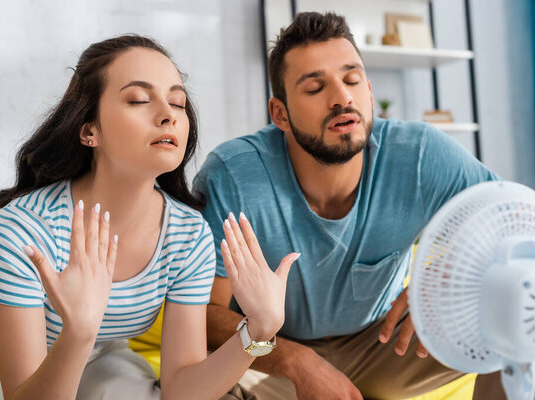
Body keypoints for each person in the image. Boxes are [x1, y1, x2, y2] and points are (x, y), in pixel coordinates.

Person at [0, 35, 300, 400]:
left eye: (178, 102)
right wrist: (77, 331)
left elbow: (182, 390)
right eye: (139, 99)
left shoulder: (187, 235)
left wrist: (259, 330)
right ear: (89, 130)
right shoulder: (25, 230)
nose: (168, 114)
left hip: (102, 358)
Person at [193, 12, 507, 400]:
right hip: (271, 353)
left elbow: (514, 224)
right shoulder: (233, 174)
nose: (342, 97)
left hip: (385, 344)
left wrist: (444, 280)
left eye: (352, 80)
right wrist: (296, 361)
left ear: (369, 93)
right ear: (280, 114)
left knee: (514, 318)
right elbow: (202, 315)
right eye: (314, 88)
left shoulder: (420, 154)